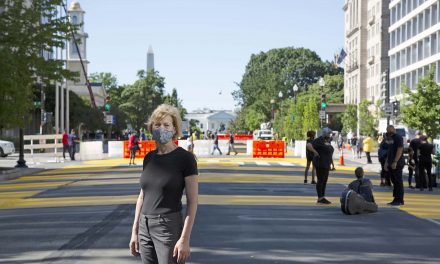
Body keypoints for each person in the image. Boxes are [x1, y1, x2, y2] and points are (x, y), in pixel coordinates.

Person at [130, 104, 198, 264]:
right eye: (157, 124)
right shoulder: (149, 158)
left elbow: (193, 202)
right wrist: (135, 231)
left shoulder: (185, 159)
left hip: (167, 227)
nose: (162, 128)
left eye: (166, 125)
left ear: (175, 129)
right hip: (144, 227)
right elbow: (142, 196)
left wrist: (185, 239)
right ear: (151, 128)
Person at [307, 127, 334, 204]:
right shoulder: (319, 140)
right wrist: (315, 152)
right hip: (320, 163)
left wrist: (331, 164)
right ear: (325, 134)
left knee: (324, 181)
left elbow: (329, 153)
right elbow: (309, 145)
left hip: (326, 164)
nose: (330, 135)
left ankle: (322, 197)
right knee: (320, 181)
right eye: (329, 134)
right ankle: (320, 198)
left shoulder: (327, 141)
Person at [384, 125, 405, 206]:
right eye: (387, 130)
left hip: (398, 162)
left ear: (393, 130)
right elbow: (389, 151)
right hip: (391, 162)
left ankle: (399, 199)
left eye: (389, 130)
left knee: (398, 181)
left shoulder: (398, 137)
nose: (388, 132)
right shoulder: (389, 138)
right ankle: (396, 198)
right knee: (394, 180)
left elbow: (400, 149)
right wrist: (386, 162)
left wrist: (395, 161)